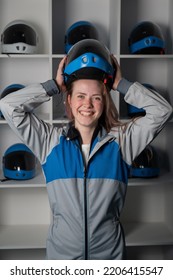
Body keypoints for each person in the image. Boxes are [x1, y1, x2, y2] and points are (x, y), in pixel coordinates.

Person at [0, 39, 172, 260]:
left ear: (105, 101)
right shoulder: (49, 141)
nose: (87, 104)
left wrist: (120, 83)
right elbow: (8, 106)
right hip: (62, 261)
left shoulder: (122, 143)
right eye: (80, 96)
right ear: (69, 100)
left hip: (109, 261)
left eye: (96, 97)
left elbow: (163, 111)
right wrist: (54, 85)